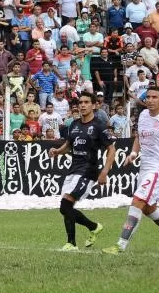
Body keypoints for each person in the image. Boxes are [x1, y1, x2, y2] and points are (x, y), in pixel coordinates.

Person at [103, 86, 159, 254]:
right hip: (145, 167)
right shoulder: (143, 115)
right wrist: (133, 153)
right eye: (148, 97)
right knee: (147, 207)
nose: (150, 100)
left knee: (137, 200)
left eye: (154, 97)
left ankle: (120, 245)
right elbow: (138, 136)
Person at [47, 93, 116, 251]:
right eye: (80, 102)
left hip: (88, 171)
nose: (83, 105)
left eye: (86, 102)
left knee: (65, 204)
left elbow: (111, 149)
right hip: (73, 170)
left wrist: (104, 172)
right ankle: (88, 231)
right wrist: (57, 151)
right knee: (65, 207)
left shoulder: (99, 126)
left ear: (94, 105)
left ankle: (75, 240)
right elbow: (69, 144)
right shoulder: (74, 124)